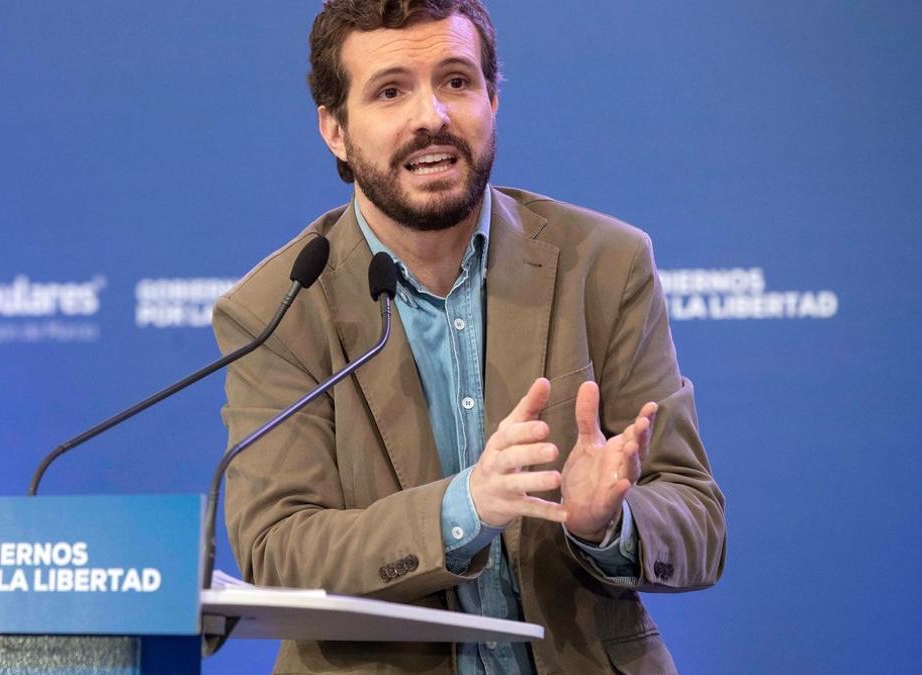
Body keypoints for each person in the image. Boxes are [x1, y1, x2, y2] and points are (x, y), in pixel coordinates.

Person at [211, 1, 725, 673]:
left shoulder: (605, 264)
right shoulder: (277, 310)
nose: (432, 116)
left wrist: (608, 522)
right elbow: (280, 550)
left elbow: (697, 520)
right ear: (334, 130)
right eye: (391, 91)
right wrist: (465, 505)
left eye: (456, 81)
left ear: (491, 97)